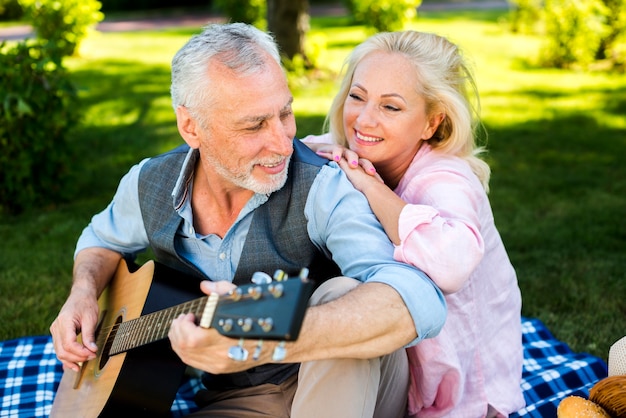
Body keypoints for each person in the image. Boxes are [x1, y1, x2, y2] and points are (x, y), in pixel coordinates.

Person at [49, 23, 447, 418]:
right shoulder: (149, 183)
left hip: (346, 382)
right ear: (191, 126)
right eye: (253, 124)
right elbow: (100, 240)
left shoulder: (323, 189)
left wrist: (262, 342)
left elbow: (415, 299)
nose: (282, 142)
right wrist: (82, 293)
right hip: (240, 400)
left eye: (285, 113)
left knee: (341, 293)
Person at [303, 30, 525, 417]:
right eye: (357, 97)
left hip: (459, 399)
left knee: (345, 300)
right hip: (399, 372)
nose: (364, 119)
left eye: (391, 107)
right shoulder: (359, 149)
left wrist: (370, 186)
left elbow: (452, 262)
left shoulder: (446, 180)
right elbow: (293, 150)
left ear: (431, 122)